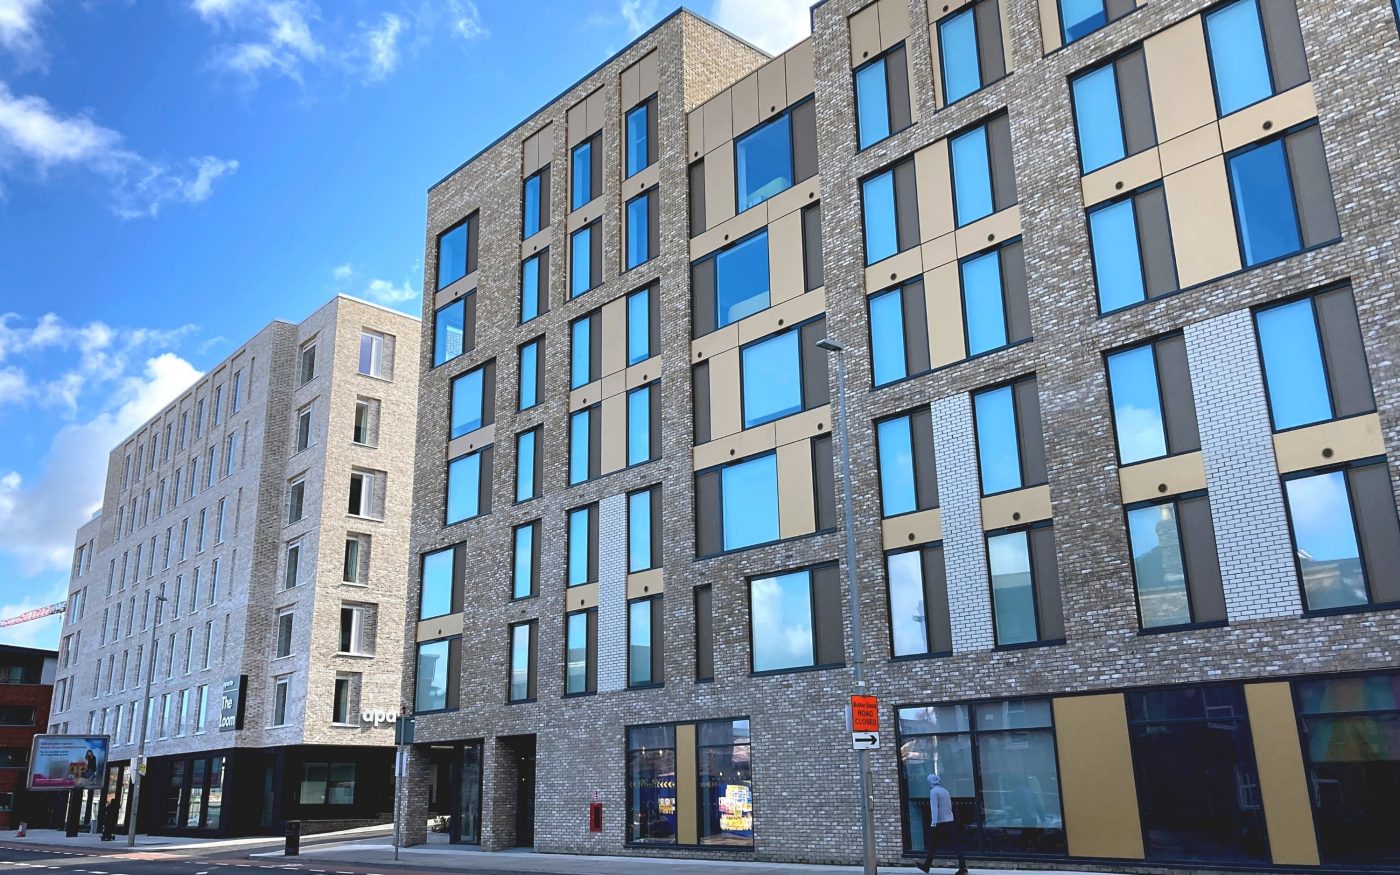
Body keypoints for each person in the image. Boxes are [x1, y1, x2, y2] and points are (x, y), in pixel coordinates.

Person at [916, 774, 967, 874]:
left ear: (930, 782)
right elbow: (949, 807)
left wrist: (933, 823)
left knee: (933, 845)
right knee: (955, 845)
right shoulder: (945, 791)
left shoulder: (933, 792)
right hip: (950, 821)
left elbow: (934, 808)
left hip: (940, 823)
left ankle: (926, 866)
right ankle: (963, 867)